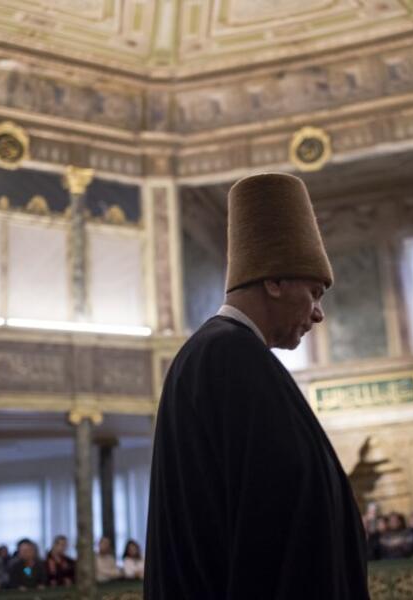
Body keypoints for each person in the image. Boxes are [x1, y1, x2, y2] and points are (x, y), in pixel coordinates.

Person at [145, 173, 369, 600]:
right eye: (315, 292)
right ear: (274, 280)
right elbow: (270, 530)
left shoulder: (225, 355)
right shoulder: (227, 358)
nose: (318, 314)